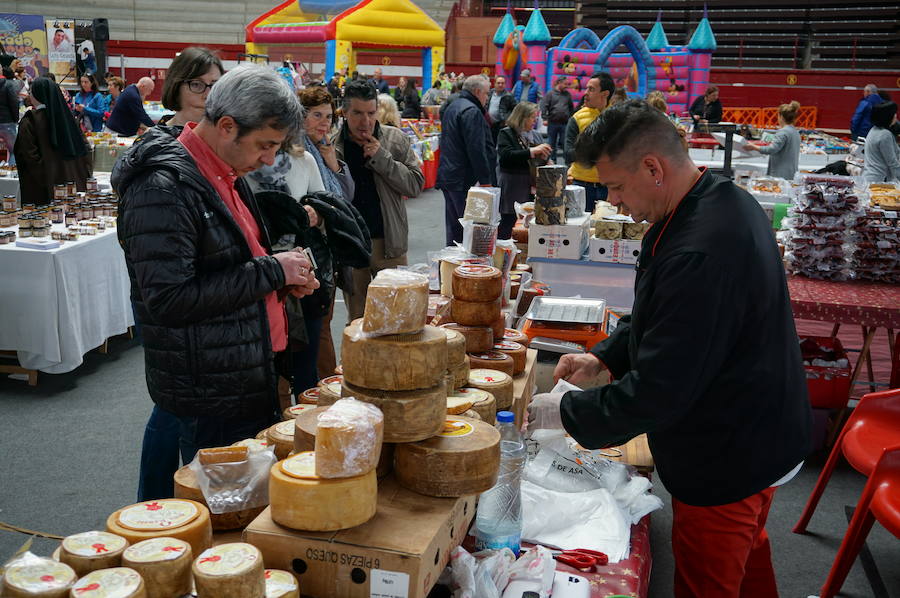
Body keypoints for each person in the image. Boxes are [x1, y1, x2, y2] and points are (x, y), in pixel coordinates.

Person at [530, 99, 811, 598]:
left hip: (728, 451)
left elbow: (660, 392)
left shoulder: (700, 250)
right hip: (761, 425)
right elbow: (665, 316)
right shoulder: (714, 200)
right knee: (748, 558)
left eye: (616, 186)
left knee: (710, 578)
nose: (615, 202)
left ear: (653, 167)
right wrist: (606, 356)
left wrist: (566, 412)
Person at [113, 65, 319, 501]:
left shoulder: (223, 171)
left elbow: (231, 263)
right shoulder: (162, 187)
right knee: (221, 515)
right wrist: (271, 272)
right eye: (264, 145)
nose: (268, 159)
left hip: (240, 372)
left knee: (242, 505)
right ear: (226, 126)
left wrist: (281, 280)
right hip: (208, 388)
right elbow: (169, 299)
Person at [334, 81, 424, 321]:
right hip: (351, 244)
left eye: (371, 113)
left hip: (389, 242)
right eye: (357, 113)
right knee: (357, 321)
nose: (365, 121)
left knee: (395, 320)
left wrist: (382, 159)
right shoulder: (333, 145)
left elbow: (415, 185)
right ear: (344, 112)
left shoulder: (394, 139)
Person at [298, 86, 359, 378]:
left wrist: (332, 160)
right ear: (301, 116)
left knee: (321, 323)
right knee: (316, 326)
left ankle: (324, 385)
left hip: (327, 249)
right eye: (316, 116)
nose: (324, 123)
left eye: (328, 117)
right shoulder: (297, 151)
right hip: (311, 249)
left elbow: (346, 196)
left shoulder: (322, 149)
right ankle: (324, 386)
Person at [436, 74, 496, 244]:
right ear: (477, 92)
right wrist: (485, 181)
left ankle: (451, 268)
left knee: (455, 229)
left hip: (450, 174)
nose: (487, 97)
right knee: (469, 230)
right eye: (486, 93)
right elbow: (476, 149)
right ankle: (465, 269)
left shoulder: (454, 106)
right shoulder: (471, 111)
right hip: (462, 178)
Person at [14, 77, 92, 205]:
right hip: (74, 186)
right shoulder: (69, 119)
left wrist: (44, 179)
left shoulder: (30, 121)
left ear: (36, 95)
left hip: (44, 191)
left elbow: (28, 155)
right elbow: (85, 149)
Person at [496, 102, 551, 239]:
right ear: (522, 117)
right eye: (532, 117)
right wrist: (532, 151)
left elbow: (537, 159)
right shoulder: (506, 133)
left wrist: (545, 159)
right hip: (512, 184)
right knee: (509, 221)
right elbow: (506, 156)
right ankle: (504, 251)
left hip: (530, 185)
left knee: (529, 220)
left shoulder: (536, 135)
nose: (535, 120)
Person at [564, 71, 614, 213]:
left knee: (606, 231)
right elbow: (568, 154)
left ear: (605, 94)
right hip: (580, 185)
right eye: (586, 88)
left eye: (591, 89)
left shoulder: (617, 118)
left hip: (608, 187)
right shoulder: (577, 118)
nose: (585, 93)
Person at [158, 47, 223, 128]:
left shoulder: (230, 137)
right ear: (176, 87)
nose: (208, 96)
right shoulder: (154, 139)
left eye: (214, 86)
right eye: (196, 84)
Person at [745, 101, 802, 181]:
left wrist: (753, 147)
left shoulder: (783, 132)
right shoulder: (795, 132)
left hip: (780, 175)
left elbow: (771, 149)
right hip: (791, 173)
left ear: (781, 116)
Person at [862, 101, 900, 183]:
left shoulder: (873, 130)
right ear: (887, 117)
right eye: (894, 114)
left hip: (869, 177)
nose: (896, 116)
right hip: (879, 181)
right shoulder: (885, 135)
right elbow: (892, 163)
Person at [540, 76, 574, 162]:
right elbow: (544, 106)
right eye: (565, 84)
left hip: (565, 123)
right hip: (552, 123)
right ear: (559, 83)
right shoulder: (550, 94)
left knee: (565, 143)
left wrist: (571, 118)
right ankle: (552, 161)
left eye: (568, 84)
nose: (567, 86)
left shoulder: (567, 95)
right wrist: (544, 118)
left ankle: (567, 162)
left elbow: (571, 108)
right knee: (551, 143)